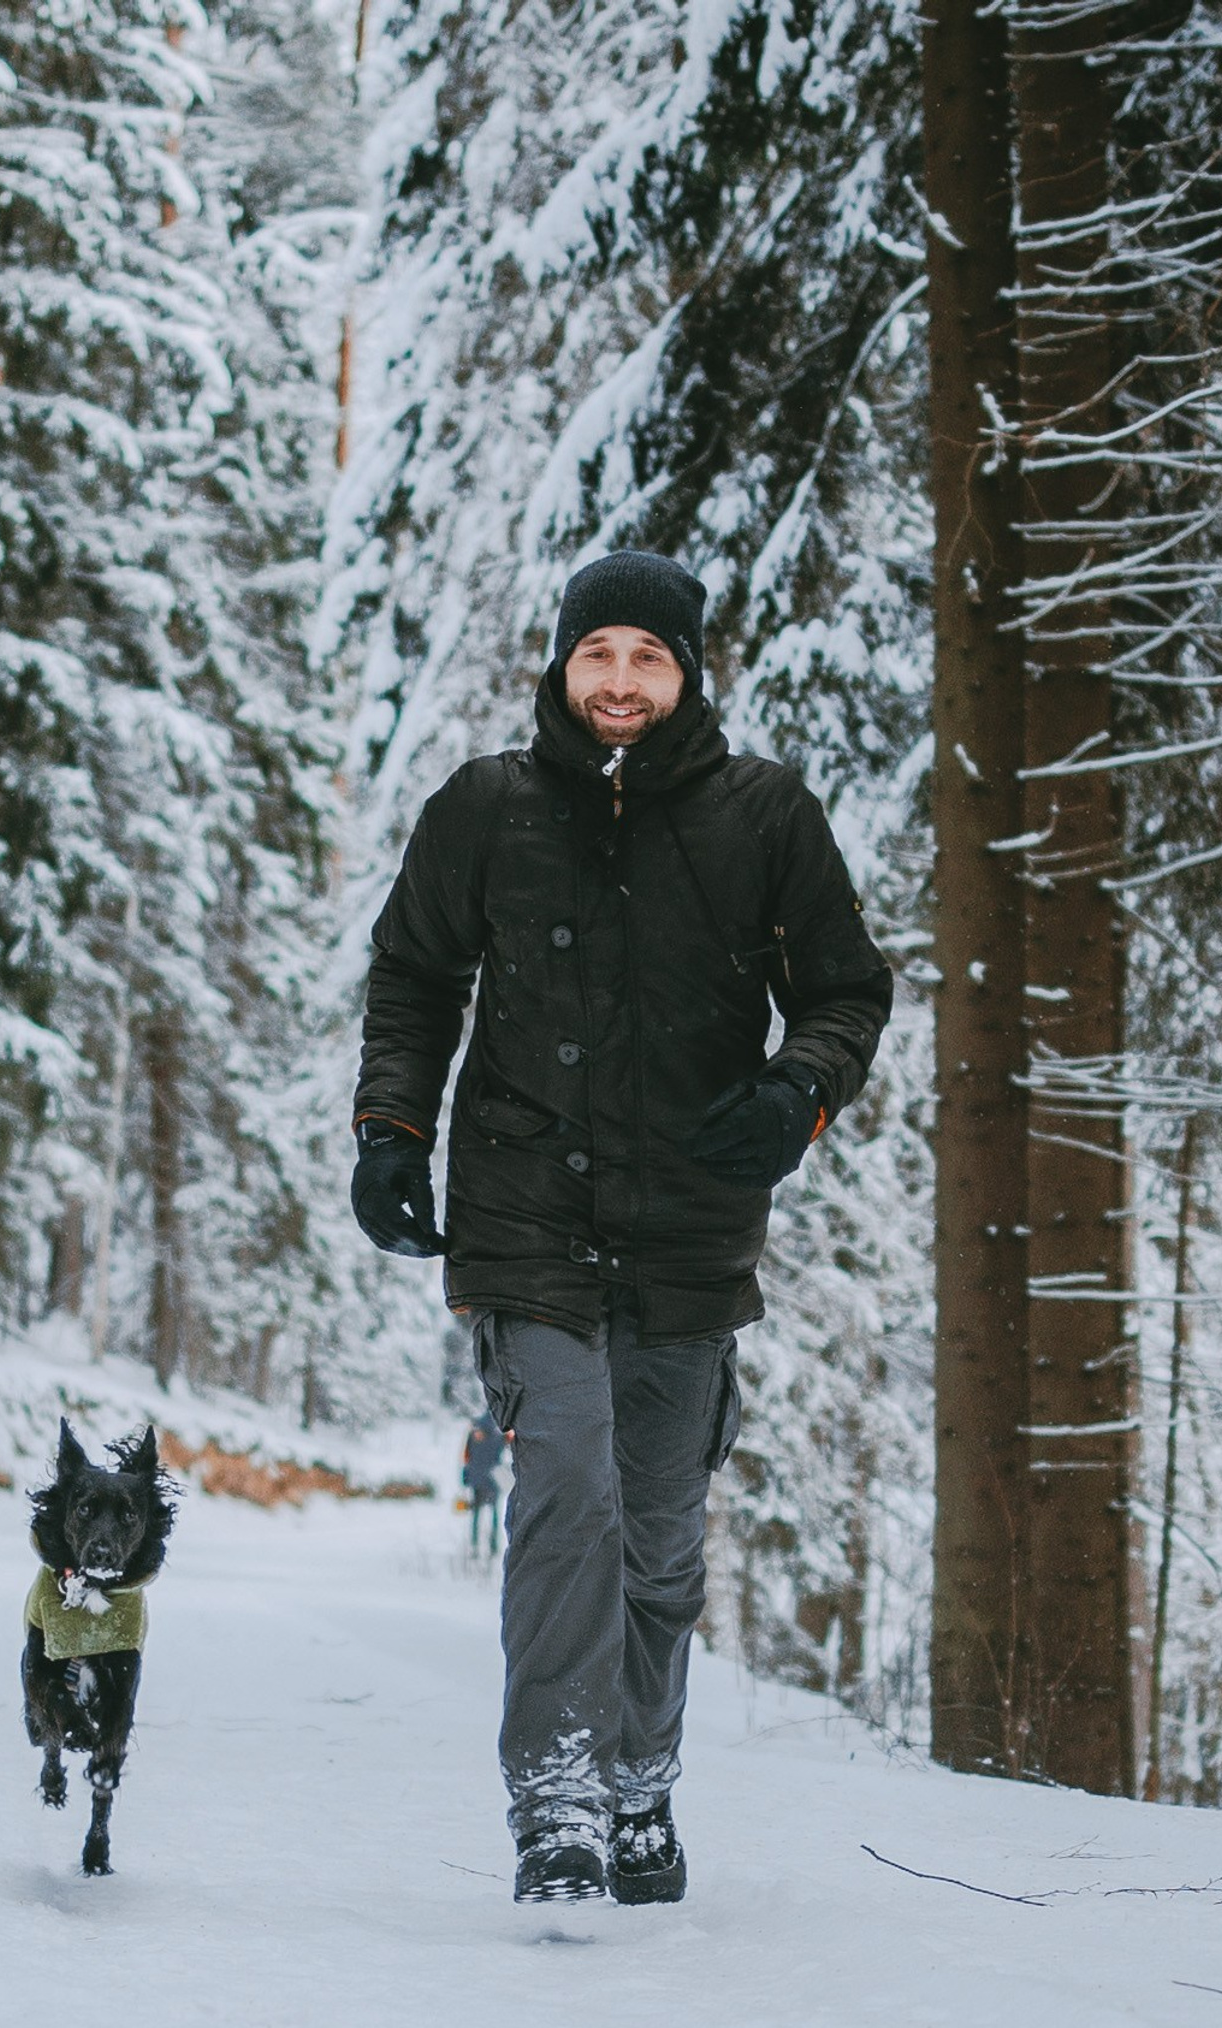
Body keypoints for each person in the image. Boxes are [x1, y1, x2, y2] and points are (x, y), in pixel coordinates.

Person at [350, 550, 890, 1905]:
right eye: (600, 655)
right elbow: (415, 978)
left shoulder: (763, 815)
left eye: (650, 657)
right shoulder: (488, 806)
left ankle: (643, 1788)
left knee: (657, 1538)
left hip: (695, 1225)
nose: (622, 682)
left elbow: (845, 991)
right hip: (527, 1212)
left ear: (688, 672)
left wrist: (797, 1096)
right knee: (570, 1496)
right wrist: (391, 1135)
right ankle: (560, 1798)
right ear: (562, 663)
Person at [461, 1411, 506, 1559]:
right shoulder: (498, 1434)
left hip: (477, 1479)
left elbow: (467, 1457)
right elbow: (503, 1449)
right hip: (492, 1480)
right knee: (494, 1513)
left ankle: (474, 1544)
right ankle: (493, 1545)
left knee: (476, 1513)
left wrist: (465, 1477)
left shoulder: (474, 1433)